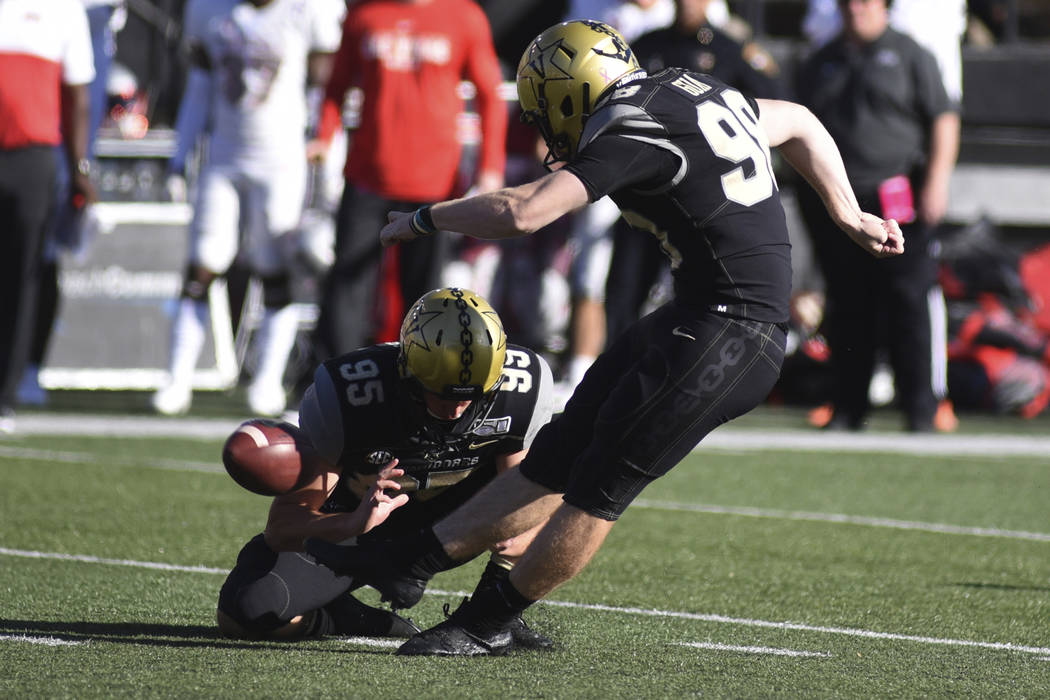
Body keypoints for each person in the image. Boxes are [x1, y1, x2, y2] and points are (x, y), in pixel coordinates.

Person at [303, 19, 904, 655]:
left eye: (546, 109)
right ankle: (407, 562)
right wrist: (846, 211)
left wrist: (426, 218)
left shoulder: (630, 126)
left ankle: (487, 622)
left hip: (730, 332)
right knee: (560, 453)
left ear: (571, 92)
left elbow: (524, 211)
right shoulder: (689, 90)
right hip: (700, 315)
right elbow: (801, 120)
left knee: (599, 487)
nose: (548, 126)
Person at [217, 287, 557, 647]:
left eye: (472, 396)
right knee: (245, 613)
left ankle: (496, 615)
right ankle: (347, 617)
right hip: (358, 536)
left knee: (559, 466)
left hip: (455, 525)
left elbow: (531, 492)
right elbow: (282, 527)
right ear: (407, 369)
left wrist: (507, 565)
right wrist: (352, 522)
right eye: (440, 394)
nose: (456, 410)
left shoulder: (521, 388)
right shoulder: (350, 396)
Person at [151, 0, 346, 418]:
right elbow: (200, 88)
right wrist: (178, 155)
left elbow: (326, 89)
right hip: (223, 156)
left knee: (274, 264)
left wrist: (328, 154)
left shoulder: (308, 9)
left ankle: (268, 381)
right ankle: (177, 377)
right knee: (202, 263)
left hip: (282, 160)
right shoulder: (208, 9)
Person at [307, 0, 508, 364]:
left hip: (434, 185)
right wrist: (323, 135)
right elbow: (335, 87)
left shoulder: (463, 16)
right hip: (367, 177)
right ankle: (340, 377)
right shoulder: (365, 15)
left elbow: (490, 96)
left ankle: (422, 381)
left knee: (425, 297)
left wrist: (489, 167)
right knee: (348, 286)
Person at [794, 0, 960, 432]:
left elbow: (943, 118)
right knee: (848, 302)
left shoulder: (910, 54)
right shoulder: (821, 60)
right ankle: (848, 407)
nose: (857, 10)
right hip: (841, 200)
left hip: (898, 195)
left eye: (867, 2)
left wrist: (937, 181)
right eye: (849, 3)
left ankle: (921, 408)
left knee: (908, 299)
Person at [604, 0, 788, 343]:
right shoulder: (648, 44)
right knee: (624, 288)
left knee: (698, 294)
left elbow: (770, 100)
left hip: (700, 202)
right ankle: (615, 361)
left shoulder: (730, 49)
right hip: (645, 192)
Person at [0, 0, 96, 433]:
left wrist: (78, 167)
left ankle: (5, 393)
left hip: (32, 157)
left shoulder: (64, 9)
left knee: (21, 276)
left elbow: (77, 93)